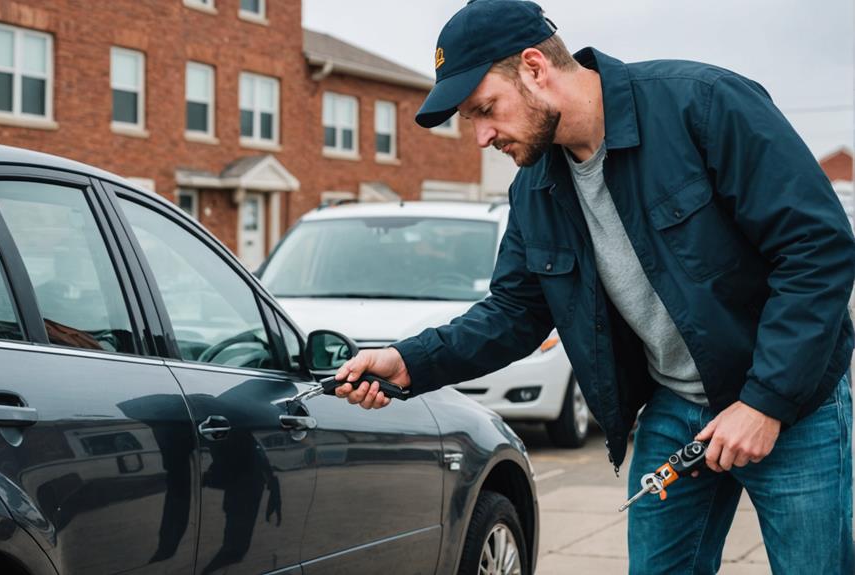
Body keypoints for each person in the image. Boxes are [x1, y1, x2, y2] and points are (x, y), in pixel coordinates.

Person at [331, 1, 855, 573]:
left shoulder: (703, 104)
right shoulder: (534, 189)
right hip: (678, 407)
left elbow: (816, 249)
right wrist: (409, 362)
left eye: (485, 110)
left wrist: (764, 402)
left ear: (534, 67)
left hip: (793, 407)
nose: (481, 137)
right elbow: (516, 311)